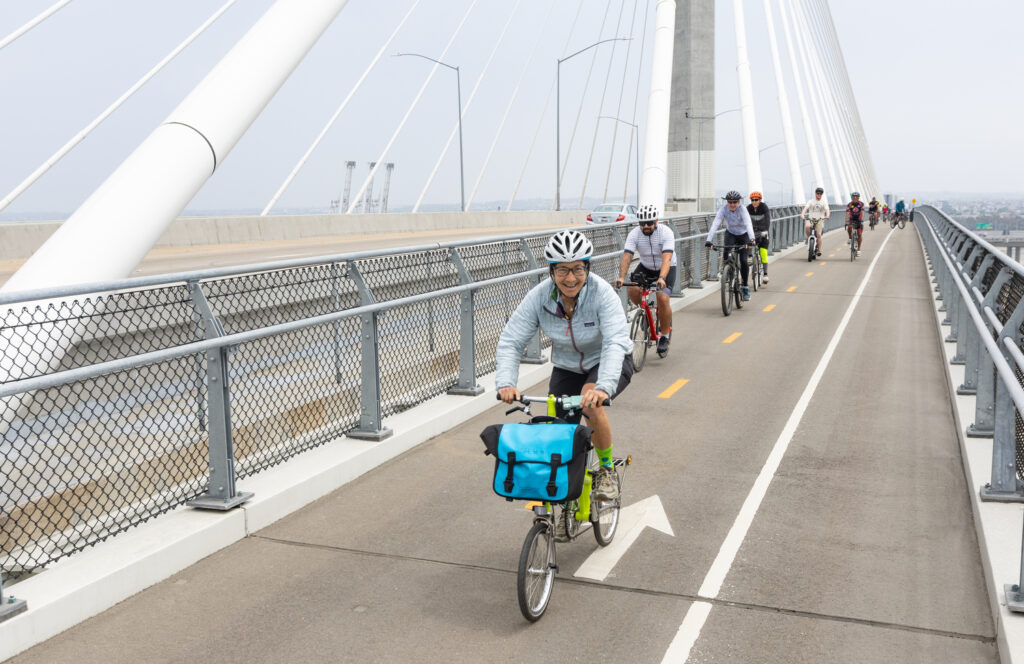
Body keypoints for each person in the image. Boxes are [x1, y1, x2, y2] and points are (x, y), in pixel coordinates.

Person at [496, 230, 633, 502]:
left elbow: (616, 342)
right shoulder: (539, 297)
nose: (571, 278)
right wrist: (506, 382)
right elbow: (511, 341)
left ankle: (606, 471)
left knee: (589, 404)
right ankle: (565, 492)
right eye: (562, 270)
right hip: (567, 367)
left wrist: (603, 386)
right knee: (557, 432)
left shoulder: (602, 294)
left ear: (587, 267)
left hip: (606, 362)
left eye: (578, 269)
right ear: (551, 271)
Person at [614, 204, 675, 355]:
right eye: (642, 223)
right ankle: (646, 313)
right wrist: (621, 277)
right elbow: (627, 256)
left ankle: (665, 337)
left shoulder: (665, 232)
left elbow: (667, 258)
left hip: (666, 267)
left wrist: (661, 278)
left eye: (649, 223)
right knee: (632, 289)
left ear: (656, 221)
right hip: (646, 267)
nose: (645, 226)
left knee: (662, 297)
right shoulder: (634, 234)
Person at [705, 191, 755, 300]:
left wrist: (752, 239)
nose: (732, 204)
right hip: (731, 233)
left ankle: (745, 287)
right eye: (730, 202)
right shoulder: (723, 209)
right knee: (726, 252)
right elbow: (716, 223)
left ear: (739, 201)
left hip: (743, 234)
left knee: (743, 260)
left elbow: (748, 224)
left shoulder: (743, 210)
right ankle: (727, 271)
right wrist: (708, 240)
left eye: (735, 202)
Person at [747, 191, 771, 284]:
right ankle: (749, 256)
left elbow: (768, 220)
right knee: (748, 240)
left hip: (763, 231)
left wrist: (766, 231)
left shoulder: (764, 207)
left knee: (763, 252)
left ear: (760, 200)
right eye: (752, 200)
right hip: (753, 231)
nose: (754, 202)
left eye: (756, 200)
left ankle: (765, 274)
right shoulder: (748, 208)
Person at [801, 187, 829, 257]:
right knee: (807, 226)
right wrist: (802, 214)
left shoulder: (823, 202)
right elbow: (806, 208)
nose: (819, 195)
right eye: (818, 193)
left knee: (818, 235)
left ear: (822, 194)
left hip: (820, 219)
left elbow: (827, 209)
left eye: (820, 193)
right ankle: (808, 238)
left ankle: (819, 250)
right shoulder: (811, 201)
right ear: (815, 193)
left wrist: (827, 215)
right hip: (811, 219)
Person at [846, 192, 866, 256]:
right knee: (849, 228)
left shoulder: (861, 204)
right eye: (853, 196)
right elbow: (847, 213)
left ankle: (859, 250)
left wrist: (862, 219)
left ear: (858, 197)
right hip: (852, 219)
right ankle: (850, 238)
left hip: (859, 219)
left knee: (859, 234)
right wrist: (846, 221)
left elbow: (862, 212)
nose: (854, 197)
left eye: (856, 196)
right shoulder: (849, 204)